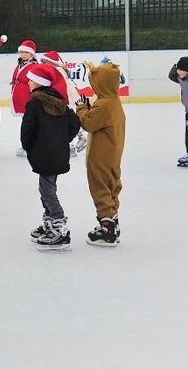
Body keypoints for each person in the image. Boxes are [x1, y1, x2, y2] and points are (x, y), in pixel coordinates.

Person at [21, 63, 81, 250]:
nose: (29, 82)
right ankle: (49, 223)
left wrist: (31, 148)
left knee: (47, 191)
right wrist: (63, 141)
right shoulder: (60, 101)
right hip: (57, 153)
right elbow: (75, 123)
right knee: (46, 188)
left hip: (43, 154)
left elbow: (27, 131)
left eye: (31, 80)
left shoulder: (35, 103)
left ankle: (59, 225)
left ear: (39, 83)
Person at [75, 62, 126, 247]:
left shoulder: (104, 105)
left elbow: (88, 123)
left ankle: (107, 228)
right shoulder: (113, 101)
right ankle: (112, 219)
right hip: (112, 155)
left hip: (100, 157)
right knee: (112, 186)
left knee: (100, 188)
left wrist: (81, 108)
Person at [41, 50, 86, 156]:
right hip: (65, 100)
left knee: (64, 124)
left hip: (65, 100)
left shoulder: (58, 71)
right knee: (67, 122)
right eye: (42, 62)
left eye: (45, 62)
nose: (42, 64)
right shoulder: (57, 70)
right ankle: (80, 137)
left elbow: (59, 86)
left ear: (52, 63)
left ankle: (71, 147)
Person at [9, 39, 38, 156]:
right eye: (22, 52)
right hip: (20, 97)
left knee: (30, 123)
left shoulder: (34, 66)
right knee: (26, 123)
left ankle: (30, 145)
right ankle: (26, 145)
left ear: (31, 54)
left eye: (26, 52)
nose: (24, 54)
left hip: (28, 98)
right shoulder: (20, 64)